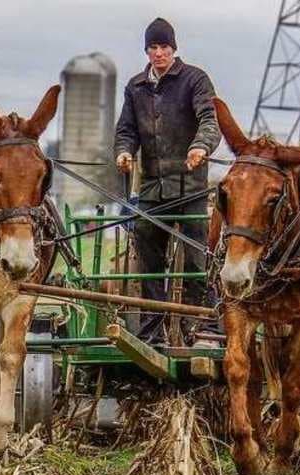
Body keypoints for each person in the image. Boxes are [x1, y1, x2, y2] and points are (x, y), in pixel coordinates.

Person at [114, 17, 221, 345]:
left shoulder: (195, 80)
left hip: (190, 187)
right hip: (152, 187)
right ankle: (151, 331)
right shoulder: (135, 87)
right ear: (146, 50)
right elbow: (126, 129)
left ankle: (202, 326)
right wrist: (124, 151)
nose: (158, 52)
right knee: (146, 244)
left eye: (164, 46)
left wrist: (200, 146)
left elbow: (209, 120)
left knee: (194, 256)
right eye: (153, 47)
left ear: (174, 49)